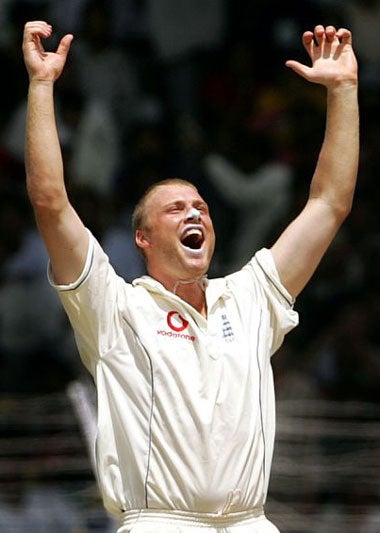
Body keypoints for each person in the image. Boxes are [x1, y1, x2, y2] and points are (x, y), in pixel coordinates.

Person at [22, 20, 359, 533]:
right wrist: (42, 85)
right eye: (176, 209)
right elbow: (50, 202)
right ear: (143, 238)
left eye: (201, 206)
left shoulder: (251, 297)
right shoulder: (113, 307)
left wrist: (344, 91)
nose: (195, 214)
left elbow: (328, 204)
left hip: (251, 524)